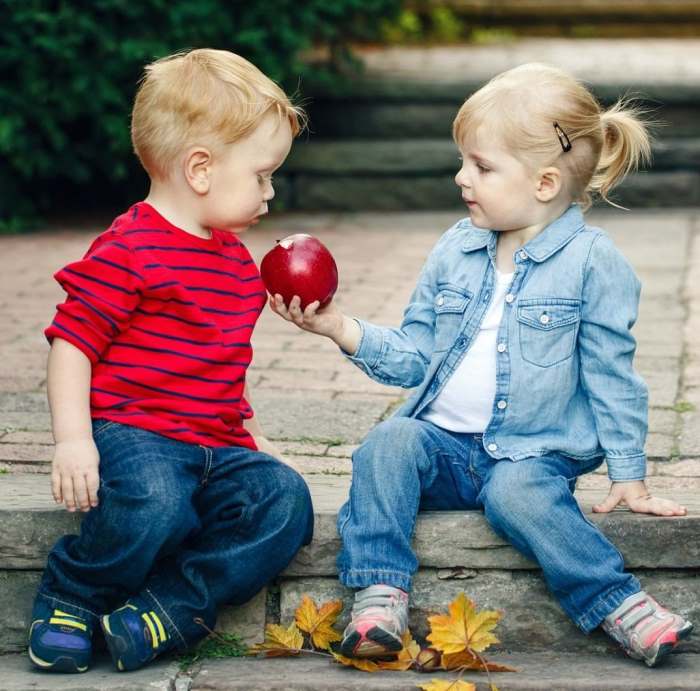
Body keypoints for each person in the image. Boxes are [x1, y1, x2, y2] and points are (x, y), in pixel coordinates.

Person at [270, 63, 693, 668]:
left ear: (545, 183)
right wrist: (340, 328)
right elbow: (415, 356)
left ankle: (619, 602)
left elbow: (613, 376)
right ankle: (379, 593)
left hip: (533, 452)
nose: (461, 176)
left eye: (482, 166)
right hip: (444, 445)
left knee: (520, 492)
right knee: (388, 442)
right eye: (464, 161)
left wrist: (629, 475)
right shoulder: (456, 247)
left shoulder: (594, 263)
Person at [28, 48, 313, 674]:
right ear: (201, 169)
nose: (271, 191)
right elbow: (72, 342)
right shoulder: (128, 247)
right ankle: (73, 595)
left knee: (285, 501)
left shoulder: (238, 264)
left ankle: (167, 608)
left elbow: (221, 371)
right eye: (263, 175)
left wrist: (257, 443)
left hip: (213, 444)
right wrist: (74, 441)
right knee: (156, 501)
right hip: (135, 435)